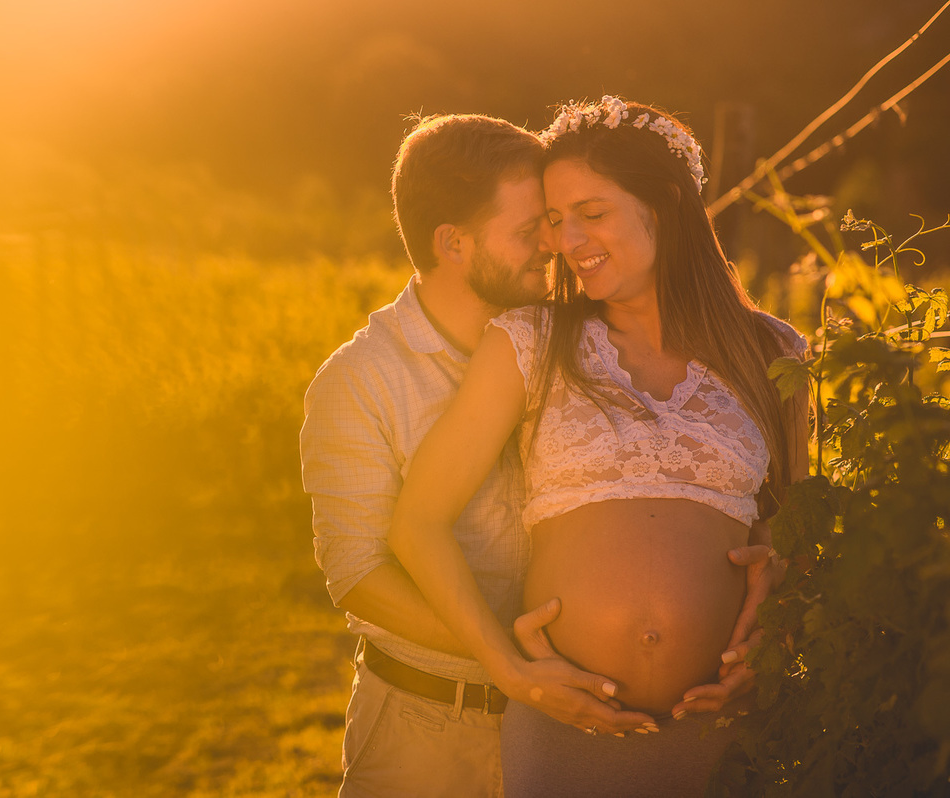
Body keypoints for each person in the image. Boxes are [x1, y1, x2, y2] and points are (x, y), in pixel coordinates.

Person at [388, 96, 809, 797]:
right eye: (554, 219)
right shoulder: (528, 341)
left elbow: (794, 523)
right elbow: (416, 523)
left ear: (665, 205)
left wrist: (773, 630)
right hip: (567, 728)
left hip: (726, 721)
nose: (565, 239)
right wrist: (509, 668)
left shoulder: (773, 352)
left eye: (593, 211)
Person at [300, 113, 660, 798]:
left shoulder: (578, 340)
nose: (554, 247)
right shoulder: (360, 379)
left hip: (570, 724)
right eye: (531, 231)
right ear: (453, 243)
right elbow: (357, 573)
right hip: (427, 727)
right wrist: (509, 660)